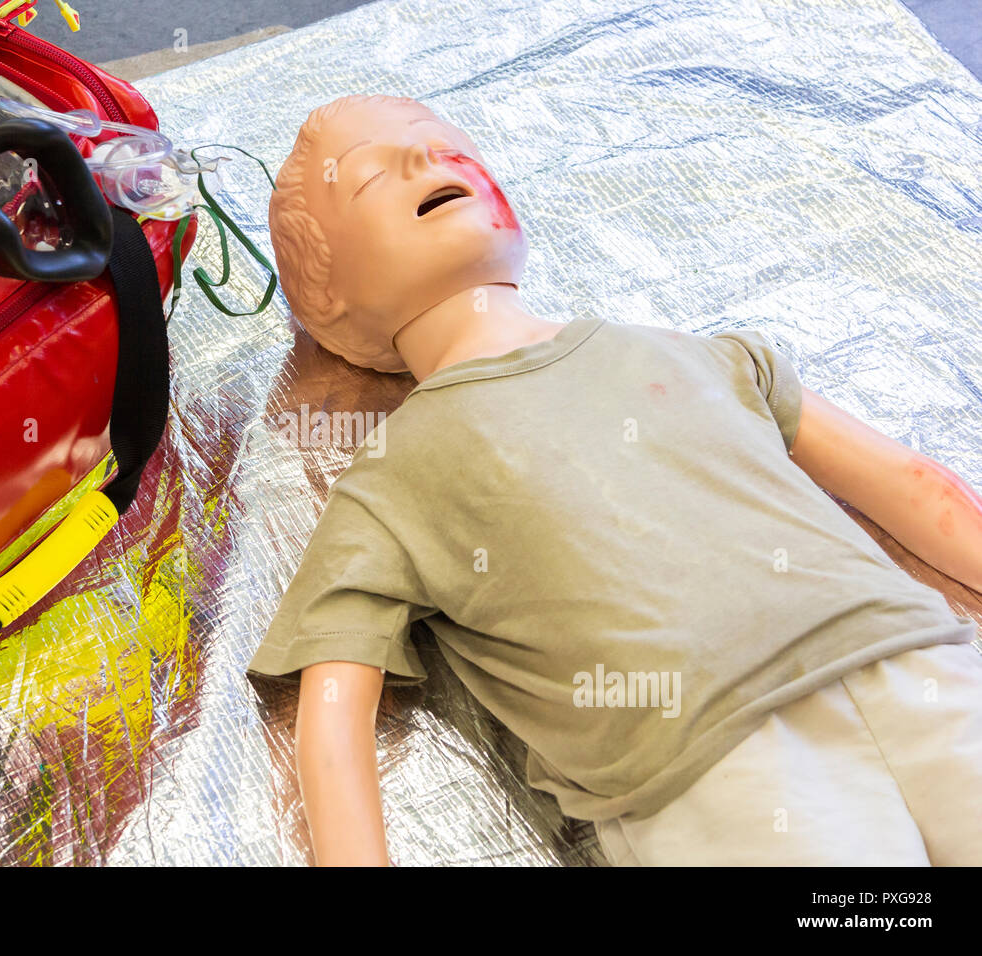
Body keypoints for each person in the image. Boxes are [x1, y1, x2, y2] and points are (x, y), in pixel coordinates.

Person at [246, 93, 982, 866]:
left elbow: (917, 488)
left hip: (917, 663)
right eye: (371, 176)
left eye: (443, 145)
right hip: (708, 763)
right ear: (327, 296)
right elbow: (335, 707)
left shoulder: (707, 354)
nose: (424, 161)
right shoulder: (390, 480)